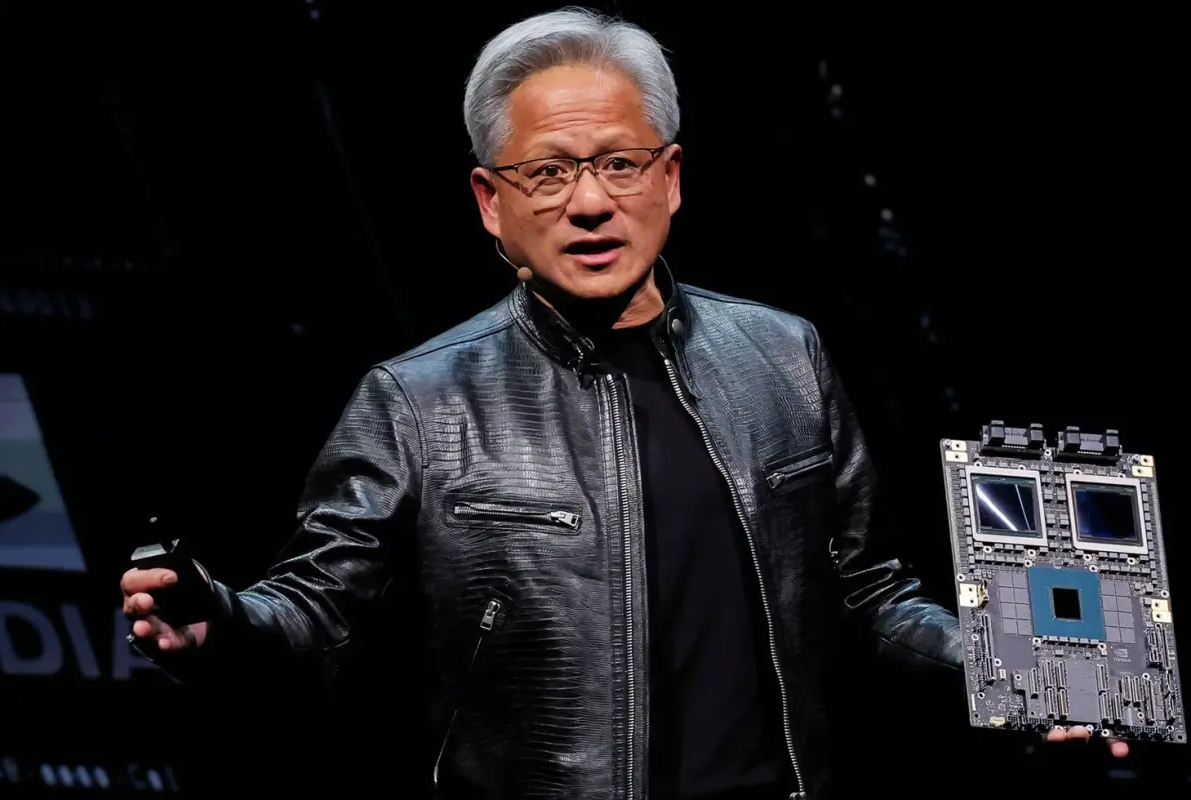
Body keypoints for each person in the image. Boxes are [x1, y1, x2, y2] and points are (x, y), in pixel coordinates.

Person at [121, 8, 1125, 798]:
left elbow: (869, 597)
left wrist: (1027, 676)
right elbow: (313, 609)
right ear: (491, 203)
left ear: (670, 178)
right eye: (548, 173)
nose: (591, 202)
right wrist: (221, 628)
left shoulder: (783, 356)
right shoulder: (419, 400)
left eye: (618, 163)